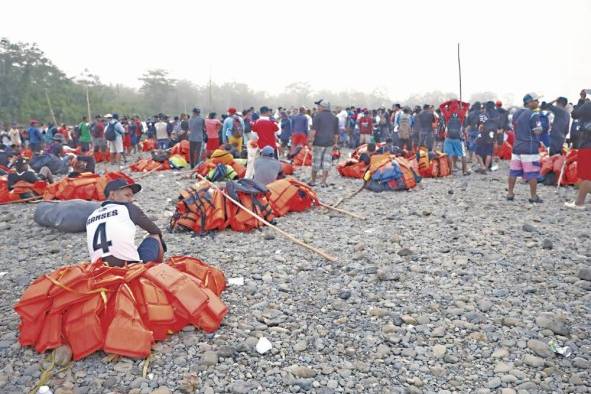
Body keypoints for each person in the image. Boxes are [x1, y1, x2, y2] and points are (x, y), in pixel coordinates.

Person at [86, 179, 165, 266]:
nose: (131, 200)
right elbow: (155, 230)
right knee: (155, 236)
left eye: (132, 196)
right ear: (112, 195)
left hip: (99, 269)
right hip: (128, 267)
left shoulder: (92, 215)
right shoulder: (128, 208)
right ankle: (155, 270)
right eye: (127, 195)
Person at [507, 93, 544, 203]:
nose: (538, 102)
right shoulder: (534, 115)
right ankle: (533, 197)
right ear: (529, 102)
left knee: (513, 172)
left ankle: (510, 193)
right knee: (532, 173)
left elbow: (513, 127)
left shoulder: (516, 113)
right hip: (529, 147)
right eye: (536, 100)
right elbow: (537, 130)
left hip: (517, 146)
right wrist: (542, 129)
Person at [565, 96, 591, 209]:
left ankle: (579, 203)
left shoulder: (587, 105)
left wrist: (581, 99)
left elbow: (574, 114)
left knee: (586, 176)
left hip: (588, 144)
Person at [310, 100, 338, 187]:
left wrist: (310, 141)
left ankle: (313, 181)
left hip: (318, 142)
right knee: (327, 163)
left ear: (323, 107)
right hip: (329, 143)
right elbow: (336, 134)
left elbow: (313, 131)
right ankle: (323, 182)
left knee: (316, 162)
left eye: (319, 106)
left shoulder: (317, 116)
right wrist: (335, 144)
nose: (318, 108)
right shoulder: (335, 118)